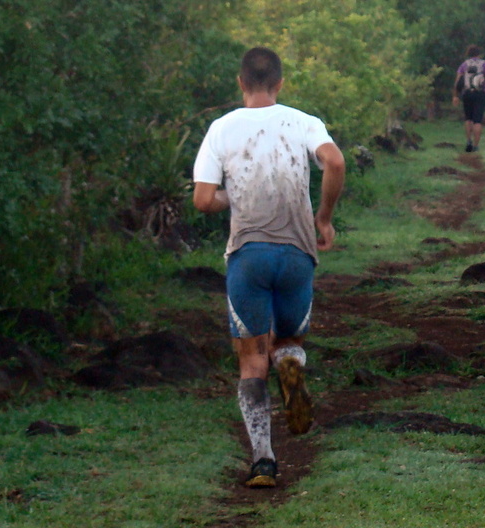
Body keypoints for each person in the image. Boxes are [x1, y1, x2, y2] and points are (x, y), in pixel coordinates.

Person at [193, 47, 346, 489]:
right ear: (280, 83)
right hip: (297, 253)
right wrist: (324, 217)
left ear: (241, 83)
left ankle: (263, 459)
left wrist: (232, 196)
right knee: (289, 339)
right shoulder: (303, 122)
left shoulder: (221, 129)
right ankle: (290, 363)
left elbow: (203, 199)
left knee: (251, 358)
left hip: (248, 255)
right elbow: (335, 162)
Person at [452, 44, 485, 153]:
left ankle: (469, 141)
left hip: (467, 93)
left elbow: (457, 82)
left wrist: (455, 95)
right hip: (480, 93)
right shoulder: (484, 64)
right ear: (479, 54)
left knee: (468, 119)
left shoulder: (464, 65)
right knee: (477, 120)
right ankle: (476, 145)